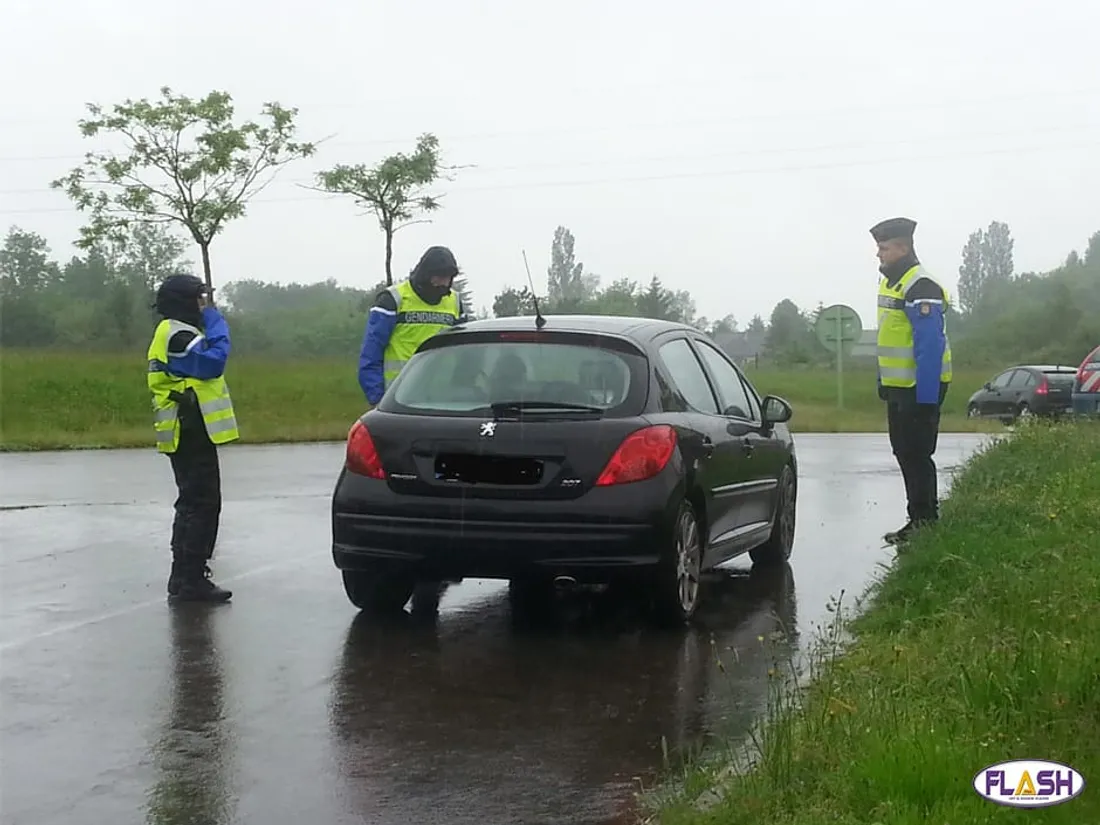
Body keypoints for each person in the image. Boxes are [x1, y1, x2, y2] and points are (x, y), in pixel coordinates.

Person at [147, 274, 240, 602]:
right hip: (189, 426)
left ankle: (184, 577)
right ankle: (190, 579)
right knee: (201, 504)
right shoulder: (178, 333)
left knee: (192, 503)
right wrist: (216, 321)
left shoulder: (173, 330)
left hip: (186, 425)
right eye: (200, 298)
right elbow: (213, 362)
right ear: (186, 301)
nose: (205, 304)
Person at [870, 217, 953, 546]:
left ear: (903, 248)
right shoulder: (892, 282)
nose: (879, 254)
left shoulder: (922, 286)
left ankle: (925, 521)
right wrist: (884, 379)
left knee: (917, 454)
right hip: (900, 387)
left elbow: (929, 346)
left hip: (920, 387)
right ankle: (916, 519)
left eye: (884, 248)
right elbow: (891, 336)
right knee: (904, 452)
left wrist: (926, 396)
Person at [358, 245, 466, 405]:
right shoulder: (393, 300)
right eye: (439, 277)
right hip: (399, 399)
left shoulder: (455, 303)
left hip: (444, 400)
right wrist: (379, 400)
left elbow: (465, 354)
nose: (444, 283)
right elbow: (371, 355)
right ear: (426, 274)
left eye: (448, 278)